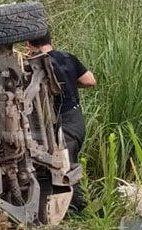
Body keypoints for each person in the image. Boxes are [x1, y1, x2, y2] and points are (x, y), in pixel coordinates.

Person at [27, 33, 96, 166]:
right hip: (75, 119)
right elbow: (90, 81)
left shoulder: (32, 65)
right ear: (50, 40)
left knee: (64, 171)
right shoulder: (68, 57)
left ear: (28, 44)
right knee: (69, 166)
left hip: (60, 124)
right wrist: (70, 82)